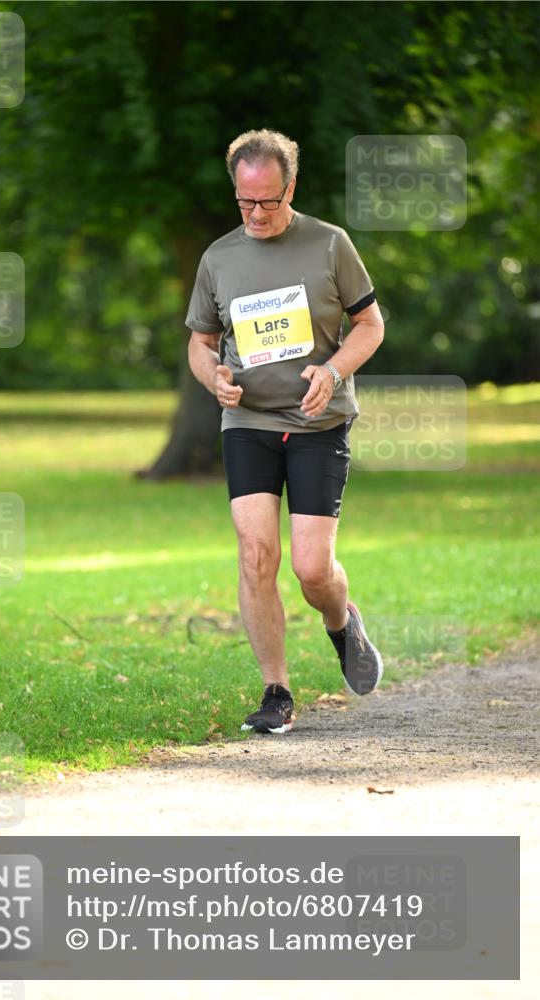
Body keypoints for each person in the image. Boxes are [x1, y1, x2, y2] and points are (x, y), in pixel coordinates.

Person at [186, 128, 385, 734]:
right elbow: (200, 341)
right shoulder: (218, 258)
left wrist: (333, 368)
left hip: (317, 422)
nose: (256, 214)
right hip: (247, 420)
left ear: (290, 187)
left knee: (310, 569)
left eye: (268, 202)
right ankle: (277, 691)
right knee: (255, 555)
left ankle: (340, 620)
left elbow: (370, 325)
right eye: (245, 202)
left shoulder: (330, 244)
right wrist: (213, 378)